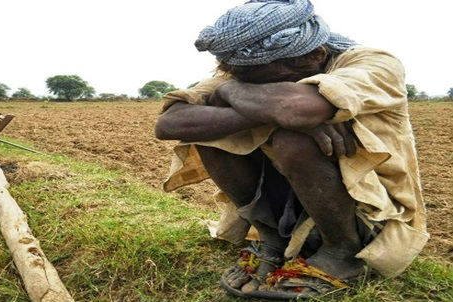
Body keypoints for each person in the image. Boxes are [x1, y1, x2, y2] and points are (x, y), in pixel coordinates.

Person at [154, 0, 429, 299]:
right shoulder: (239, 78)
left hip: (369, 212)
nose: (251, 88)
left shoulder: (372, 63)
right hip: (290, 201)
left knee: (294, 140)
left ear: (312, 57)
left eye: (269, 84)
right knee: (210, 135)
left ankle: (343, 252)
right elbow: (171, 123)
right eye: (243, 84)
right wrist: (233, 93)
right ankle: (270, 239)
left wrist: (239, 97)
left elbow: (297, 108)